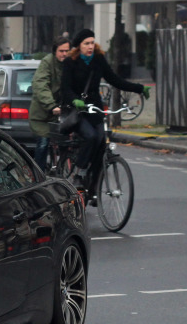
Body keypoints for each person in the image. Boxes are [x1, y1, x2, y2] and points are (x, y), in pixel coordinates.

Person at [60, 29, 150, 203]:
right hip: (78, 110)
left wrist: (139, 88)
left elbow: (114, 79)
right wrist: (75, 100)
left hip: (95, 108)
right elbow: (65, 88)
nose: (90, 46)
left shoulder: (98, 60)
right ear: (79, 46)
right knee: (91, 137)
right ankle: (79, 172)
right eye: (86, 43)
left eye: (92, 42)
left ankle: (93, 188)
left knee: (102, 143)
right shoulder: (70, 62)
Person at [28, 36, 73, 171]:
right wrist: (51, 105)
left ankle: (63, 170)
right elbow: (40, 85)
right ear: (55, 51)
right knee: (43, 143)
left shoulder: (71, 63)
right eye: (61, 51)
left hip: (62, 112)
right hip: (42, 115)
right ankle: (38, 176)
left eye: (67, 51)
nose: (64, 54)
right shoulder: (47, 63)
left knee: (70, 141)